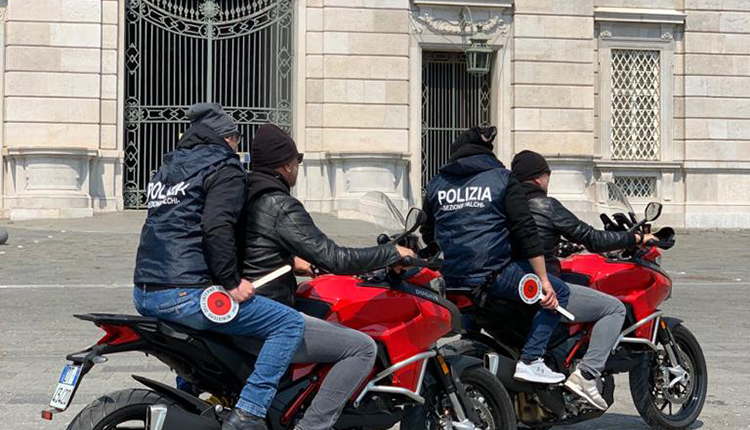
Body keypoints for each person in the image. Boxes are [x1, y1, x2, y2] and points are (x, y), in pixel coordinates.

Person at [132, 103, 305, 430]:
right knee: (288, 323)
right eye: (237, 140)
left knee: (205, 329)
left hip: (145, 290)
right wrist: (231, 282)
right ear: (227, 139)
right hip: (183, 291)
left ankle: (190, 403)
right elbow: (217, 226)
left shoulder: (168, 165)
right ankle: (250, 413)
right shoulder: (224, 167)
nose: (237, 146)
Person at [242, 124, 416, 430]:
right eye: (297, 161)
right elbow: (335, 258)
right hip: (270, 312)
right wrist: (391, 253)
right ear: (285, 165)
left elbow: (254, 245)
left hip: (247, 306)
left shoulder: (246, 194)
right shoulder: (279, 203)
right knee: (361, 348)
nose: (298, 167)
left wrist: (291, 262)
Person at [420, 126, 570, 384]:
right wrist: (544, 281)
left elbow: (427, 232)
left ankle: (472, 343)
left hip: (449, 279)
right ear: (487, 151)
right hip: (493, 275)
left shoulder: (436, 184)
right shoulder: (502, 178)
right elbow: (525, 230)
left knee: (472, 296)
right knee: (560, 291)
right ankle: (531, 359)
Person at [510, 150, 657, 410]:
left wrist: (560, 247)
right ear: (539, 177)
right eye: (547, 175)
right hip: (541, 283)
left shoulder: (507, 204)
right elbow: (592, 238)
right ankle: (587, 375)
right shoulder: (546, 205)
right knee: (613, 308)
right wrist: (635, 238)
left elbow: (530, 239)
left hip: (513, 281)